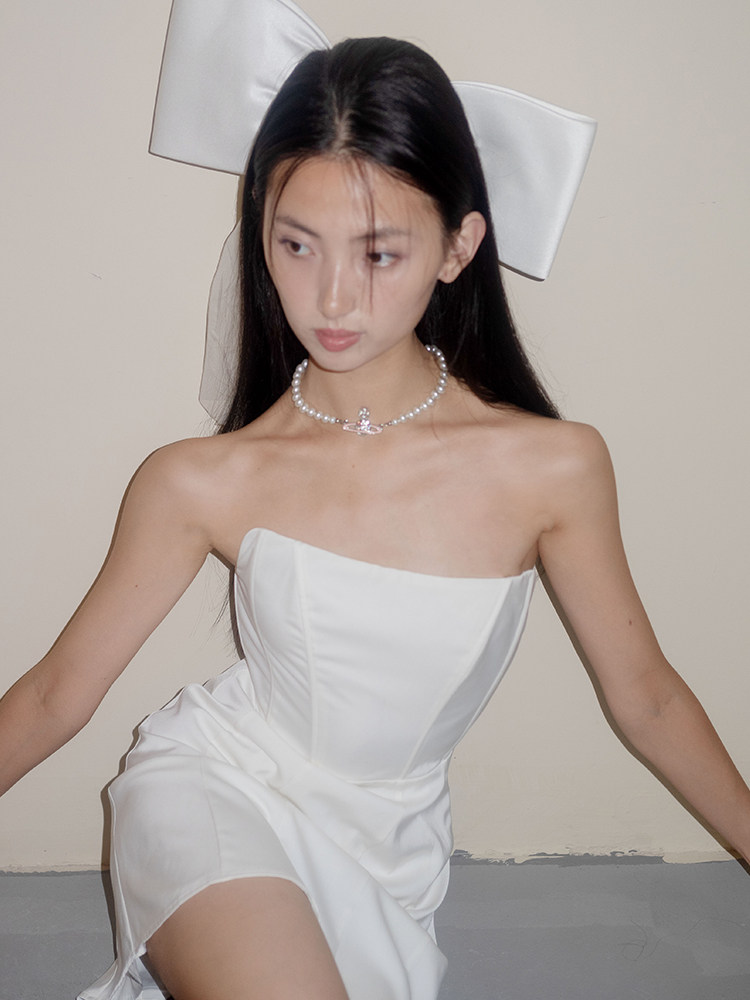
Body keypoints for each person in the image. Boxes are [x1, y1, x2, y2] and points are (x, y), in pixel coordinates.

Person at [1, 30, 748, 1000]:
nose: (332, 296)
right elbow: (55, 696)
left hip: (390, 854)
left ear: (459, 246)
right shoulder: (200, 480)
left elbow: (645, 697)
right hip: (215, 788)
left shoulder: (555, 467)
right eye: (296, 244)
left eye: (380, 251)